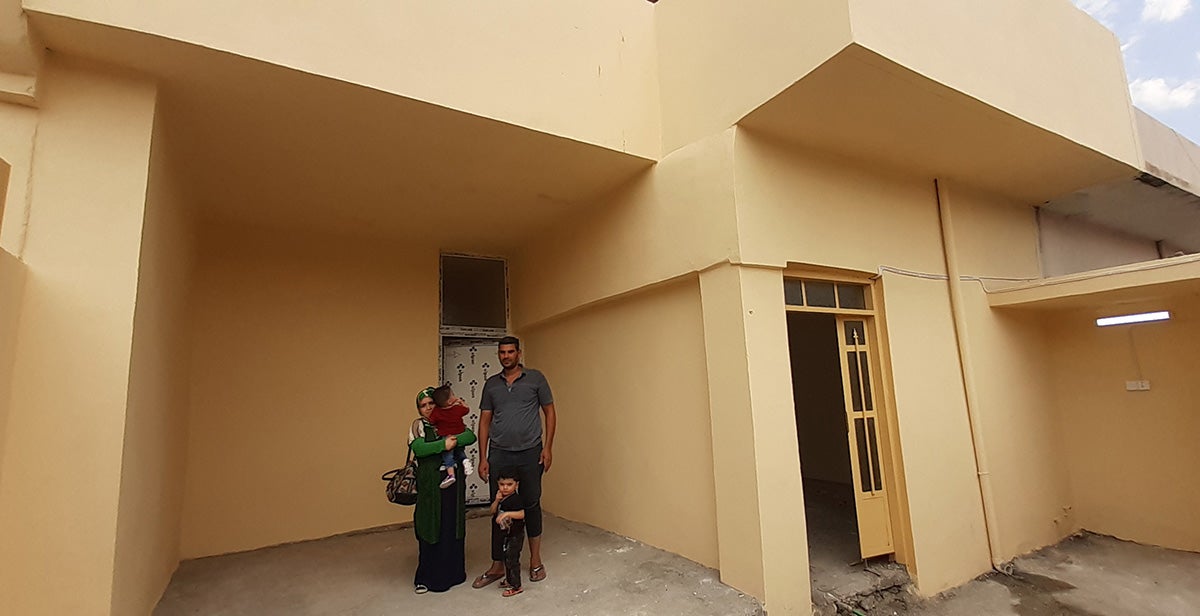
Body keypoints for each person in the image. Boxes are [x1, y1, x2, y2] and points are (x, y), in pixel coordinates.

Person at [472, 336, 556, 588]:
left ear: (519, 353)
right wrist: (483, 457)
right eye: (502, 352)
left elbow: (550, 412)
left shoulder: (536, 379)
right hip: (499, 453)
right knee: (499, 507)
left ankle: (535, 561)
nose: (506, 356)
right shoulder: (491, 385)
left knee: (531, 504)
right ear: (498, 355)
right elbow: (485, 421)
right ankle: (498, 564)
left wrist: (548, 448)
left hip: (531, 452)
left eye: (510, 351)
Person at [409, 387, 477, 594]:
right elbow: (419, 448)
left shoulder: (449, 418)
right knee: (431, 527)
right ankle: (427, 578)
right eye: (423, 405)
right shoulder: (418, 425)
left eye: (431, 403)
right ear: (419, 409)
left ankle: (454, 574)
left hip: (453, 485)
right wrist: (443, 444)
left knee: (451, 525)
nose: (428, 408)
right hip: (431, 486)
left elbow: (469, 436)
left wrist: (451, 441)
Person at [490, 468, 527, 597]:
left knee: (512, 559)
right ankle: (509, 579)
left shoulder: (516, 499)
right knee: (506, 558)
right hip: (504, 535)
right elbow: (492, 511)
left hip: (515, 535)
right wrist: (496, 500)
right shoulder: (501, 497)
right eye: (502, 484)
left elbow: (523, 513)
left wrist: (507, 513)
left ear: (516, 485)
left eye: (509, 484)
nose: (505, 488)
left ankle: (516, 585)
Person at [429, 385, 475, 488]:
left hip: (446, 436)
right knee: (459, 451)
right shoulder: (457, 409)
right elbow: (466, 410)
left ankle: (450, 474)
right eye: (453, 395)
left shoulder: (437, 411)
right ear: (450, 401)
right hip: (459, 433)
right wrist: (462, 402)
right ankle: (465, 460)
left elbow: (431, 421)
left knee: (447, 455)